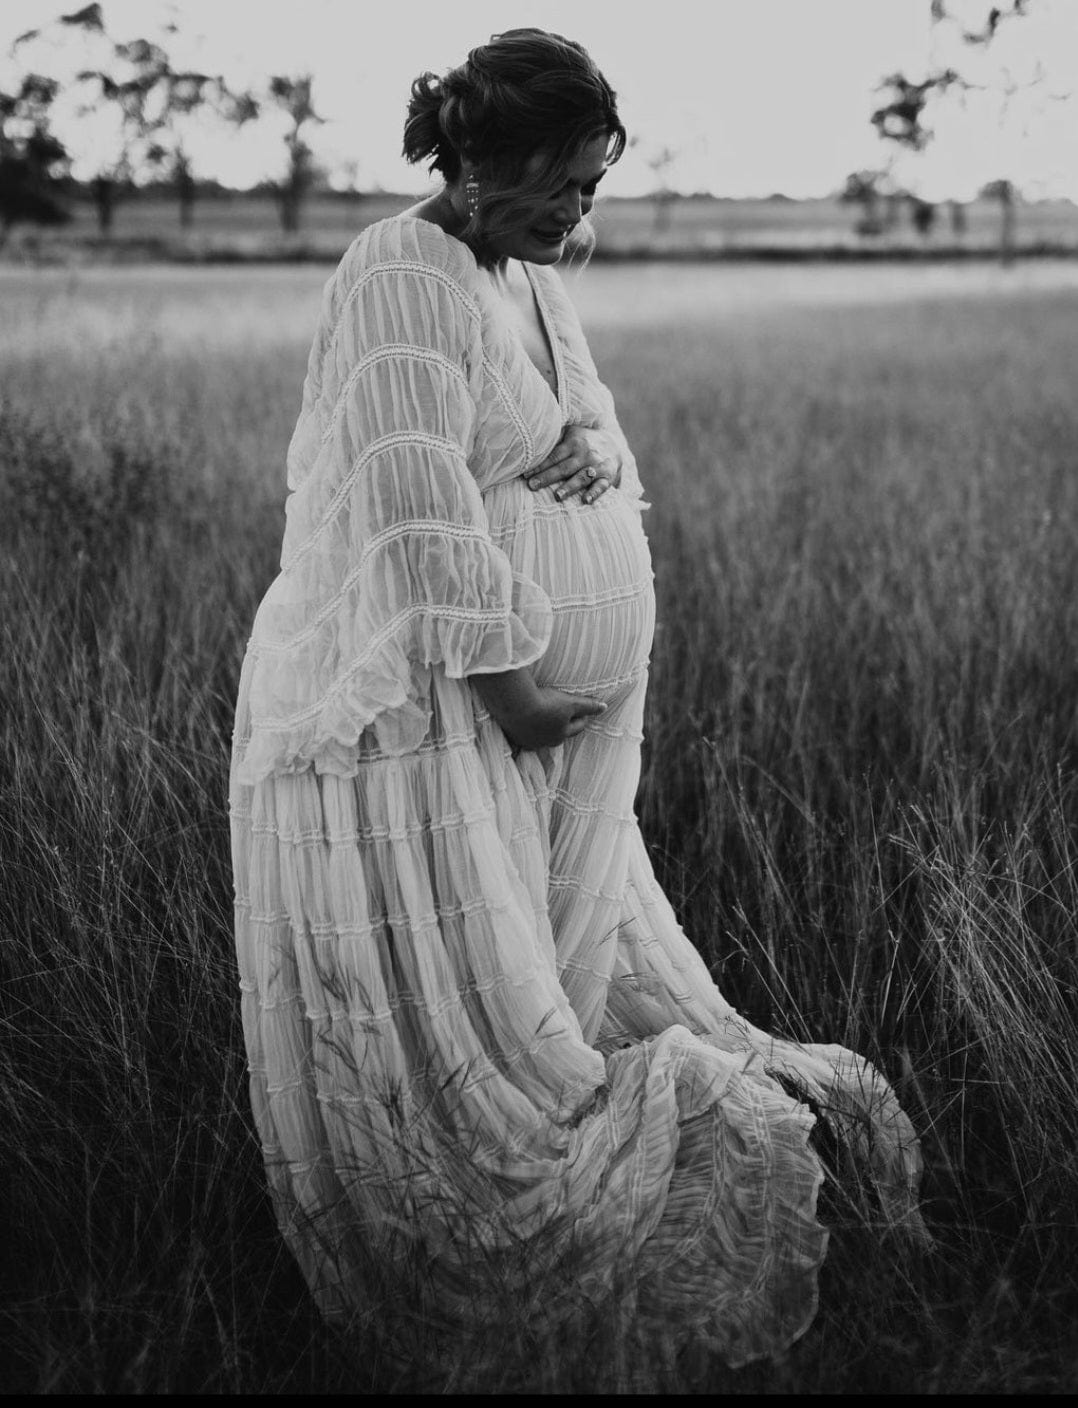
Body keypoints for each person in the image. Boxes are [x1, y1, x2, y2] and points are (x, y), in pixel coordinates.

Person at [229, 27, 926, 1377]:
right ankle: (450, 1244)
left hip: (543, 719)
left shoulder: (526, 271)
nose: (576, 213)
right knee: (460, 1000)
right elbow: (410, 504)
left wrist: (584, 451)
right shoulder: (399, 273)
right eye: (555, 183)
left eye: (592, 186)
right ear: (473, 165)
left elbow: (585, 415)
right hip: (438, 712)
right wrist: (518, 690)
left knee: (546, 971)